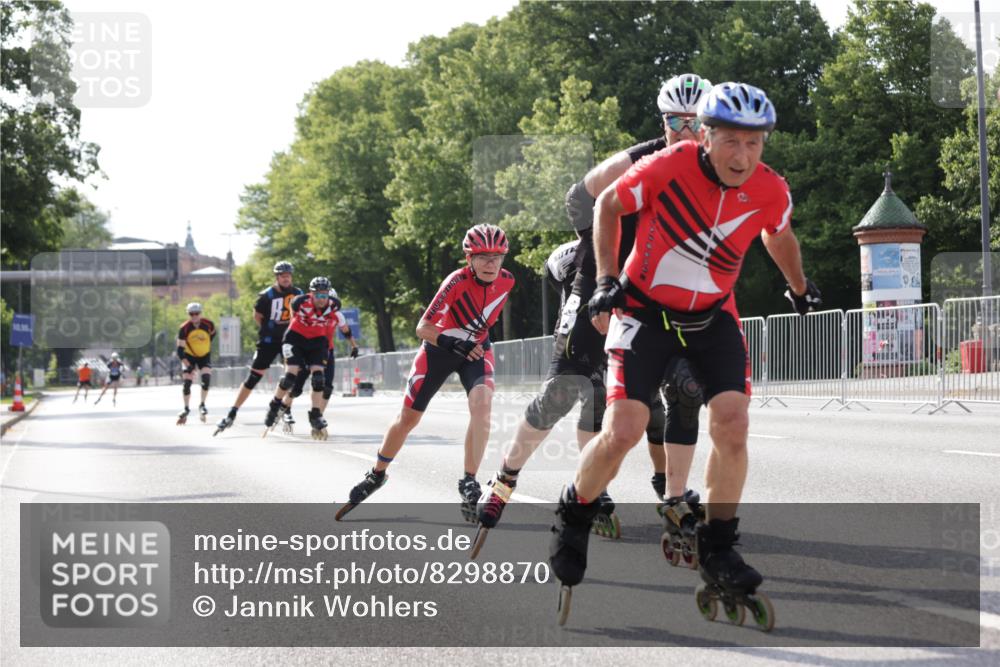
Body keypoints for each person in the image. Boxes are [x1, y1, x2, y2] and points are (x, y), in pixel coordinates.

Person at [549, 82, 822, 623]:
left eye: (755, 144)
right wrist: (605, 278)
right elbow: (606, 204)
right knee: (623, 429)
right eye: (730, 142)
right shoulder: (667, 166)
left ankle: (719, 544)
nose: (742, 156)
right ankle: (574, 510)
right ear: (705, 134)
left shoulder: (769, 187)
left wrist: (798, 285)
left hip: (713, 317)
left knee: (733, 421)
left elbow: (778, 233)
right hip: (644, 313)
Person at [474, 74, 712, 552]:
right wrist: (605, 269)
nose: (684, 132)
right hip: (600, 285)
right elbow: (578, 199)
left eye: (695, 122)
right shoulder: (642, 158)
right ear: (661, 122)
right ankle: (505, 478)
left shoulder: (719, 166)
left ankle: (671, 495)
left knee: (679, 389)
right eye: (673, 122)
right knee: (565, 391)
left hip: (658, 294)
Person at [336, 224, 515, 521]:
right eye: (482, 256)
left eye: (497, 257)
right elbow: (423, 328)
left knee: (483, 406)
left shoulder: (508, 281)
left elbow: (481, 320)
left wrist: (471, 343)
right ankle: (377, 474)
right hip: (439, 350)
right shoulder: (455, 282)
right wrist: (451, 341)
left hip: (475, 351)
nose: (491, 263)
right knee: (408, 418)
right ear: (468, 258)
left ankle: (469, 481)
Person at [214, 261, 302, 435]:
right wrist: (271, 329)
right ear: (277, 277)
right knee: (254, 377)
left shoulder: (298, 294)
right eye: (283, 276)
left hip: (289, 339)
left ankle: (286, 409)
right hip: (269, 341)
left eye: (288, 276)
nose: (286, 279)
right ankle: (233, 412)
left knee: (292, 375)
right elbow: (258, 316)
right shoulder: (266, 296)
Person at [262, 277, 342, 439]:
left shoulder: (334, 306)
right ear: (310, 294)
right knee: (290, 377)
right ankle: (275, 404)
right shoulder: (299, 303)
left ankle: (315, 414)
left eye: (324, 295)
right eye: (317, 295)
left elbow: (330, 333)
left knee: (319, 379)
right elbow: (292, 316)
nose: (321, 299)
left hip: (317, 342)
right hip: (296, 339)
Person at [275, 286, 359, 432]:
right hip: (306, 349)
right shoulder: (309, 311)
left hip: (326, 351)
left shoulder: (337, 315)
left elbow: (346, 331)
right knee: (296, 388)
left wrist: (354, 346)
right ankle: (284, 408)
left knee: (326, 387)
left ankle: (318, 416)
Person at [175, 303, 217, 425]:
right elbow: (179, 351)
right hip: (189, 356)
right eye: (191, 314)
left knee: (206, 379)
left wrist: (203, 346)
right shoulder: (184, 328)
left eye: (196, 313)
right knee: (187, 383)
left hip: (204, 356)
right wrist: (187, 365)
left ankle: (202, 404)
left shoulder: (208, 324)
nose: (194, 316)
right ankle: (186, 408)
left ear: (200, 313)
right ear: (188, 314)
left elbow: (212, 336)